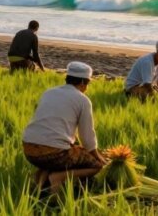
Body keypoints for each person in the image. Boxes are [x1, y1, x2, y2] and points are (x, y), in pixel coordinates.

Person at [22, 62, 107, 194]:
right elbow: (87, 137)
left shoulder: (49, 92)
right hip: (54, 153)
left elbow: (50, 124)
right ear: (84, 82)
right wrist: (98, 157)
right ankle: (58, 178)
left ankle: (38, 185)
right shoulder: (83, 100)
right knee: (97, 166)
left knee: (59, 156)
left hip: (29, 149)